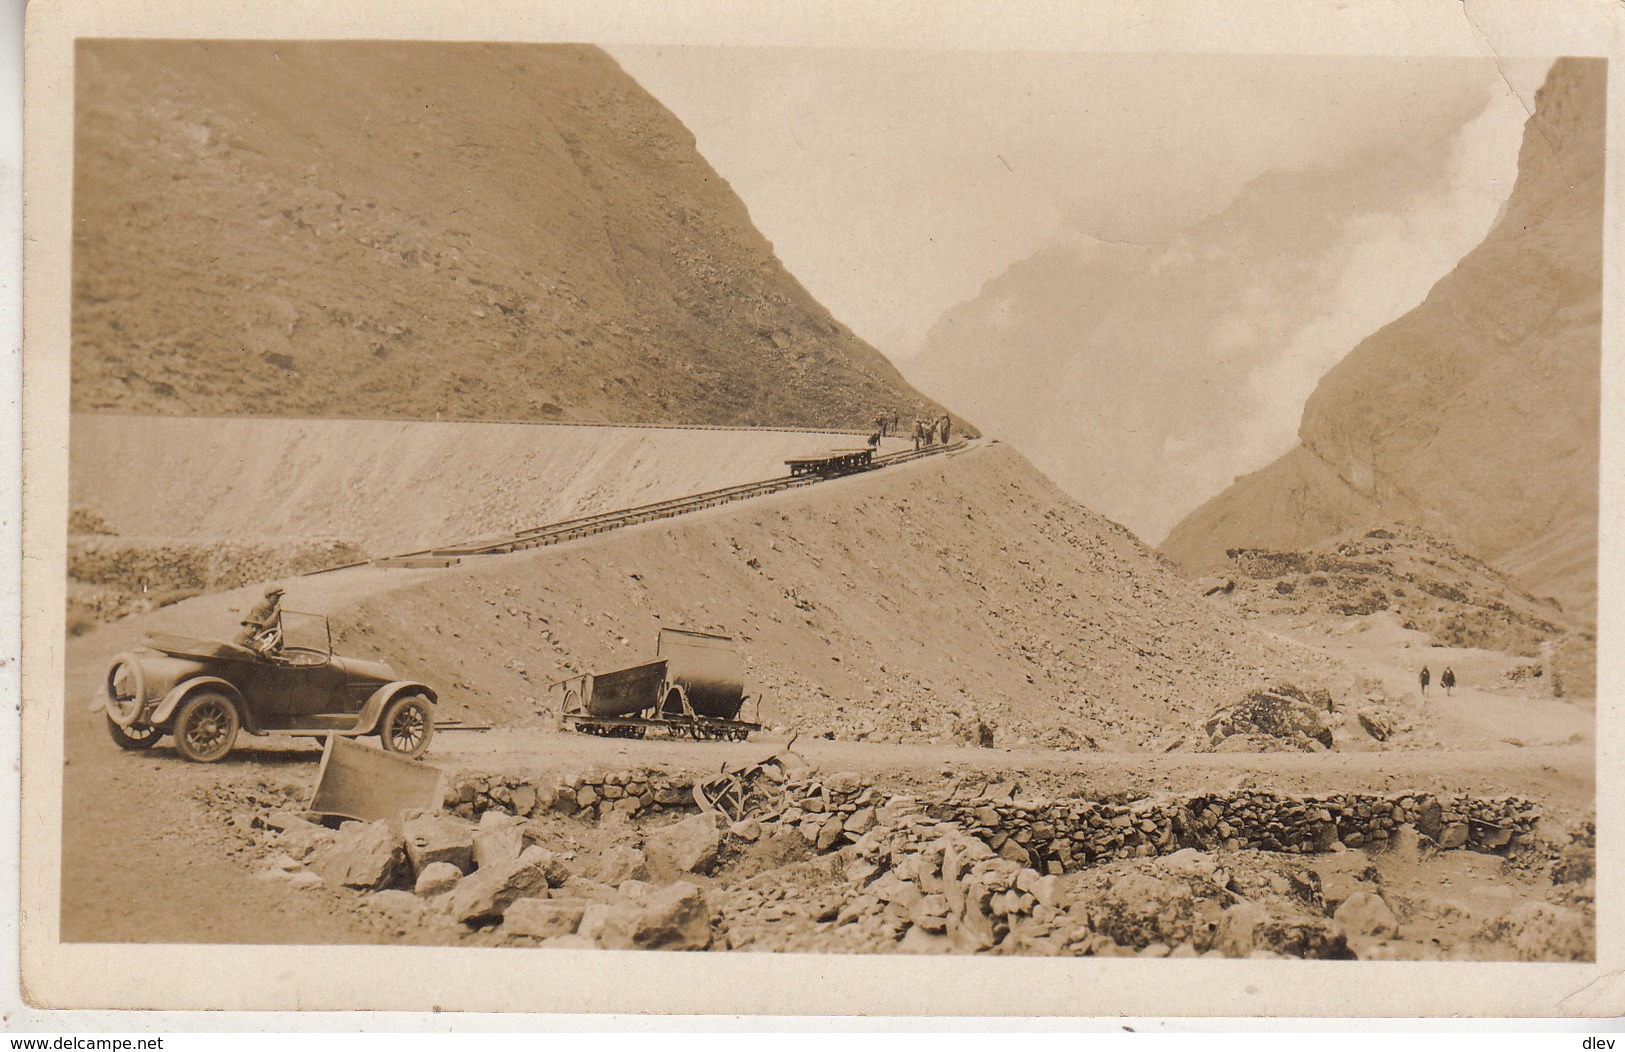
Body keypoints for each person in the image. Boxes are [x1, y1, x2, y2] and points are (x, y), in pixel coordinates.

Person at [237, 586, 285, 656]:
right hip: (260, 642)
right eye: (276, 597)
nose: (278, 600)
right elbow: (262, 628)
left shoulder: (273, 608)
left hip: (272, 640)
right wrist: (275, 613)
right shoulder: (258, 609)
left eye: (279, 598)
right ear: (269, 596)